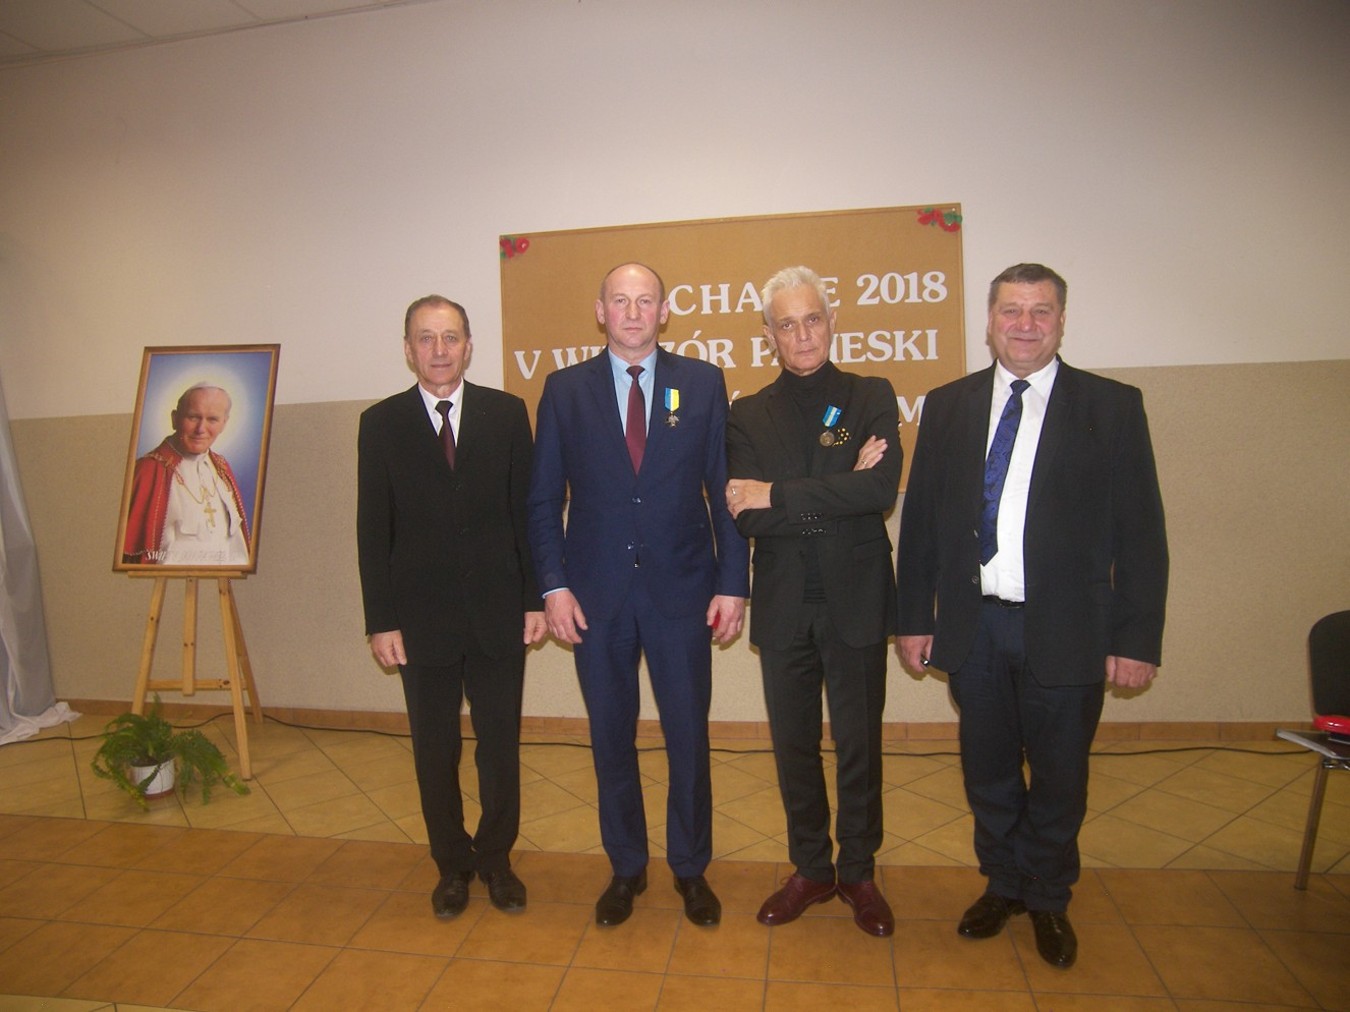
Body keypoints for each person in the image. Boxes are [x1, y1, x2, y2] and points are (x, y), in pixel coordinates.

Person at [895, 263, 1168, 969]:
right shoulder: (948, 406)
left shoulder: (1111, 407)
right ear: (989, 321)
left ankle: (1048, 895)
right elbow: (921, 525)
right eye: (1011, 310)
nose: (1025, 324)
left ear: (1061, 322)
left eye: (1040, 311)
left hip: (1068, 629)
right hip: (974, 627)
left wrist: (1136, 638)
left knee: (1059, 775)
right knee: (986, 770)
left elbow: (1142, 534)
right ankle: (1003, 884)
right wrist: (913, 619)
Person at [527, 262, 749, 927]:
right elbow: (543, 500)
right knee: (610, 739)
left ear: (664, 311)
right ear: (600, 311)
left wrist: (733, 584)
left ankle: (690, 868)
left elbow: (725, 492)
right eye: (620, 301)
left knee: (688, 738)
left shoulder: (702, 383)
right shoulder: (565, 391)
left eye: (644, 301)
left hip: (684, 592)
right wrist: (553, 586)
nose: (632, 312)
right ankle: (626, 866)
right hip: (594, 598)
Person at [724, 266, 902, 938]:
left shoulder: (870, 394)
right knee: (793, 746)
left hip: (857, 599)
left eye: (813, 319)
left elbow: (878, 490)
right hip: (784, 603)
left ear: (832, 322)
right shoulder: (746, 413)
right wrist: (836, 485)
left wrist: (780, 492)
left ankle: (858, 870)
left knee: (860, 745)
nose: (802, 334)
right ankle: (811, 868)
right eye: (787, 324)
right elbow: (746, 516)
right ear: (769, 335)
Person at [357, 295, 545, 919]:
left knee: (499, 747)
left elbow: (526, 515)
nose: (439, 350)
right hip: (420, 620)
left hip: (498, 613)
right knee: (435, 750)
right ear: (408, 349)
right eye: (426, 338)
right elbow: (372, 529)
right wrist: (381, 620)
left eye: (451, 337)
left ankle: (496, 859)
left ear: (469, 346)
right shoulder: (380, 424)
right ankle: (451, 864)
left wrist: (534, 599)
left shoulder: (507, 413)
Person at [122, 383, 250, 566]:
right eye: (193, 417)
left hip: (222, 576)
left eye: (212, 419)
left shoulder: (222, 468)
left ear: (224, 424)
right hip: (170, 578)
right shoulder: (148, 470)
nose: (201, 429)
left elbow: (236, 544)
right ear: (175, 419)